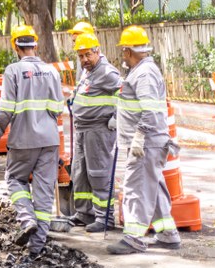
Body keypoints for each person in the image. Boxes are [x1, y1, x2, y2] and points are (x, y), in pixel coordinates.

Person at [0, 25, 64, 260]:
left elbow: (6, 107)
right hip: (49, 140)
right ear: (35, 44)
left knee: (15, 179)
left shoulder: (13, 71)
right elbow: (57, 109)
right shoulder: (52, 71)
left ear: (15, 46)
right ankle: (36, 247)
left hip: (22, 140)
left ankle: (26, 219)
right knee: (43, 193)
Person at [107, 26, 181, 254]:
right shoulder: (141, 71)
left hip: (145, 144)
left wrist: (139, 135)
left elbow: (149, 109)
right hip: (149, 143)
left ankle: (133, 238)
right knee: (153, 188)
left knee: (135, 187)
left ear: (129, 51)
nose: (122, 56)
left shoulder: (144, 73)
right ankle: (168, 234)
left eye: (123, 51)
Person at [68, 33, 121, 232]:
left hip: (98, 130)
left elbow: (125, 95)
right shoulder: (88, 71)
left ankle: (104, 218)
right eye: (81, 56)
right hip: (82, 129)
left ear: (97, 51)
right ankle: (84, 213)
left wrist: (117, 118)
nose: (84, 60)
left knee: (98, 173)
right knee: (79, 172)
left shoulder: (107, 72)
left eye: (87, 55)